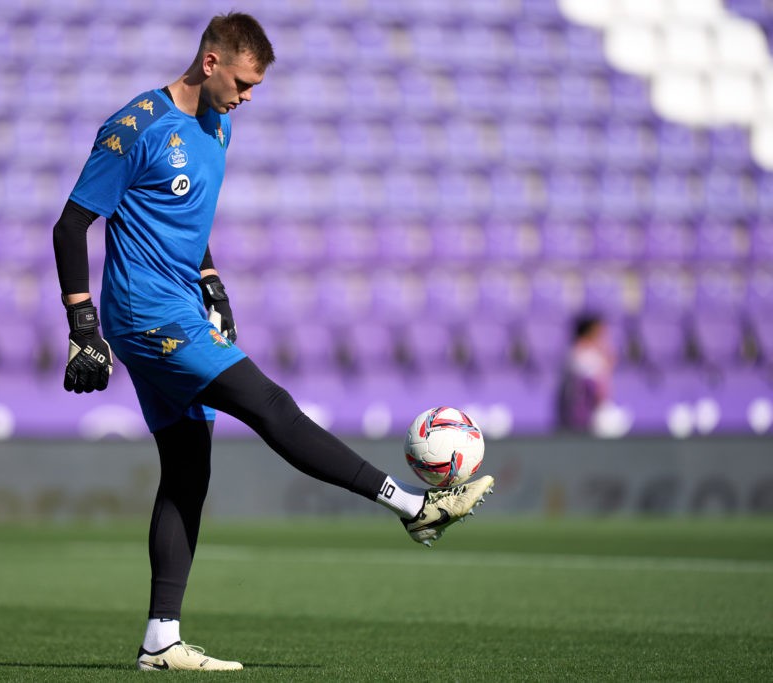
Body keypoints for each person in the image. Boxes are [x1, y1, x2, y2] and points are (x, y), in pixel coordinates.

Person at [51, 13, 494, 671]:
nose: (248, 96)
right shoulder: (135, 127)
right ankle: (414, 506)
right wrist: (82, 326)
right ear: (210, 62)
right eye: (243, 81)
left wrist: (211, 279)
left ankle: (160, 641)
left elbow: (184, 216)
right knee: (270, 405)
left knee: (188, 469)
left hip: (182, 307)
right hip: (146, 315)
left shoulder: (216, 125)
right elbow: (70, 226)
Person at [556, 312, 616, 433]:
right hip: (582, 416)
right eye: (597, 332)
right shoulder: (578, 354)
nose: (601, 336)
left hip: (597, 411)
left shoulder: (595, 352)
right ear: (588, 332)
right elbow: (591, 387)